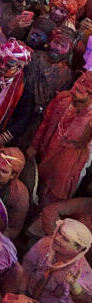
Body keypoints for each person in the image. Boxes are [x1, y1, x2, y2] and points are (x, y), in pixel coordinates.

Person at [31, 71, 92, 205]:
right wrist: (35, 146)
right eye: (75, 90)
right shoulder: (64, 99)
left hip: (68, 165)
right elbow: (46, 122)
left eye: (81, 95)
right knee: (35, 183)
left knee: (51, 197)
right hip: (47, 150)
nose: (74, 96)